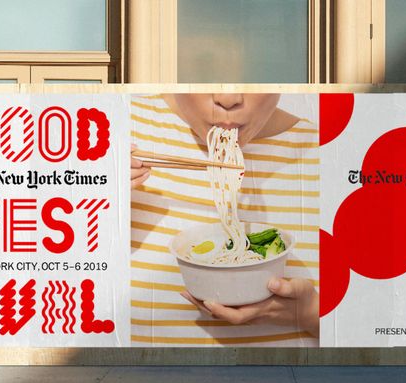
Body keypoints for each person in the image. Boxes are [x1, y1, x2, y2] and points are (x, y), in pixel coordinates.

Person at [130, 93, 320, 345]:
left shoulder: (331, 151)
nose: (228, 97)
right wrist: (84, 195)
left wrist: (311, 314)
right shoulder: (118, 125)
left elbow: (378, 327)